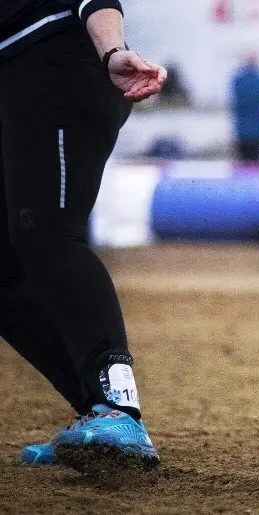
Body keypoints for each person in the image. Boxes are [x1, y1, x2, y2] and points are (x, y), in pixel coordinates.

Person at [0, 1, 166, 466]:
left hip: (54, 58)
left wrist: (111, 49)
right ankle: (98, 412)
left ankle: (119, 409)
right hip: (14, 77)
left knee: (49, 235)